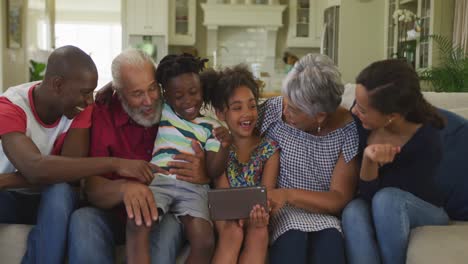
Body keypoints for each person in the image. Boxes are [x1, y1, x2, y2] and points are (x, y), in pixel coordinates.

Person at [0, 46, 156, 264]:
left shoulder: (80, 109)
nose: (90, 101)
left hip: (44, 196)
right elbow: (34, 169)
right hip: (9, 199)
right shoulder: (10, 107)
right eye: (85, 93)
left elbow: (71, 173)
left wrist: (6, 180)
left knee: (61, 190)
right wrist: (116, 164)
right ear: (57, 85)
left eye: (92, 92)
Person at [67, 49, 213, 264]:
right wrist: (125, 188)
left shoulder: (175, 106)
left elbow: (203, 91)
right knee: (82, 219)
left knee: (167, 227)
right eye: (137, 94)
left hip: (163, 211)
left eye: (152, 88)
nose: (148, 101)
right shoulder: (103, 114)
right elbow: (91, 187)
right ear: (119, 92)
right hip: (113, 213)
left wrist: (204, 172)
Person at [123, 53, 231, 264]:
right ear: (166, 95)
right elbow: (135, 84)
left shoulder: (212, 127)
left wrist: (225, 147)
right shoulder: (162, 108)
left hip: (193, 188)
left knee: (205, 242)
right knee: (138, 221)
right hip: (160, 181)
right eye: (179, 96)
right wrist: (109, 87)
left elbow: (213, 170)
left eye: (193, 92)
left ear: (201, 88)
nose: (188, 101)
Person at [342, 59, 449, 264]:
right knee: (353, 211)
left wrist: (371, 164)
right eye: (356, 104)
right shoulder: (358, 121)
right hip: (377, 200)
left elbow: (383, 205)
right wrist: (368, 159)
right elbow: (366, 198)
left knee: (387, 199)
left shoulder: (428, 140)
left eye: (362, 109)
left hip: (423, 207)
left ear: (391, 116)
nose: (354, 112)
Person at [260, 54, 359, 264]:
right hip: (282, 214)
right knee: (292, 244)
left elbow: (340, 197)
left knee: (330, 249)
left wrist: (288, 194)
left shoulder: (348, 131)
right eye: (285, 101)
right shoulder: (272, 111)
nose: (285, 112)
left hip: (323, 214)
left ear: (320, 115)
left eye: (294, 110)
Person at [202, 65, 280, 264]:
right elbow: (223, 193)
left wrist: (259, 215)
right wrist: (238, 217)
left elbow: (266, 194)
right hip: (225, 215)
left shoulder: (269, 149)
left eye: (252, 105)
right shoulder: (219, 146)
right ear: (221, 113)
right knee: (233, 232)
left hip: (256, 214)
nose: (247, 114)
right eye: (237, 108)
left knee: (260, 233)